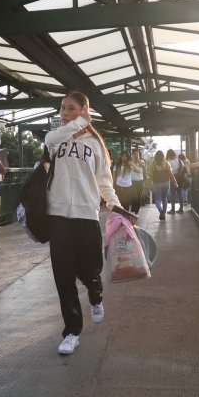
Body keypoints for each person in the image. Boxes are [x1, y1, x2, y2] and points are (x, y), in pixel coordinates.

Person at [45, 90, 132, 356]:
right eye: (62, 108)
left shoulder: (95, 145)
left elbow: (104, 181)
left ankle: (96, 296)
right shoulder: (56, 139)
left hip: (86, 214)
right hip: (58, 215)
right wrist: (79, 122)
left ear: (83, 109)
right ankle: (71, 331)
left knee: (89, 269)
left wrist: (115, 206)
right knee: (63, 275)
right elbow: (50, 139)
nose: (63, 113)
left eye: (70, 108)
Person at [150, 150, 178, 221]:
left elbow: (151, 176)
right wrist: (175, 182)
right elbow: (171, 174)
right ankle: (164, 213)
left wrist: (150, 184)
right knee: (164, 198)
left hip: (156, 183)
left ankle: (161, 211)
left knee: (157, 200)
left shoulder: (153, 164)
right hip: (166, 183)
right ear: (163, 156)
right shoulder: (166, 163)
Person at [166, 148, 183, 213]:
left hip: (173, 178)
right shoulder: (179, 160)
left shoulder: (168, 161)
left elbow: (168, 171)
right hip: (180, 178)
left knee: (172, 194)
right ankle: (181, 209)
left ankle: (173, 209)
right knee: (180, 193)